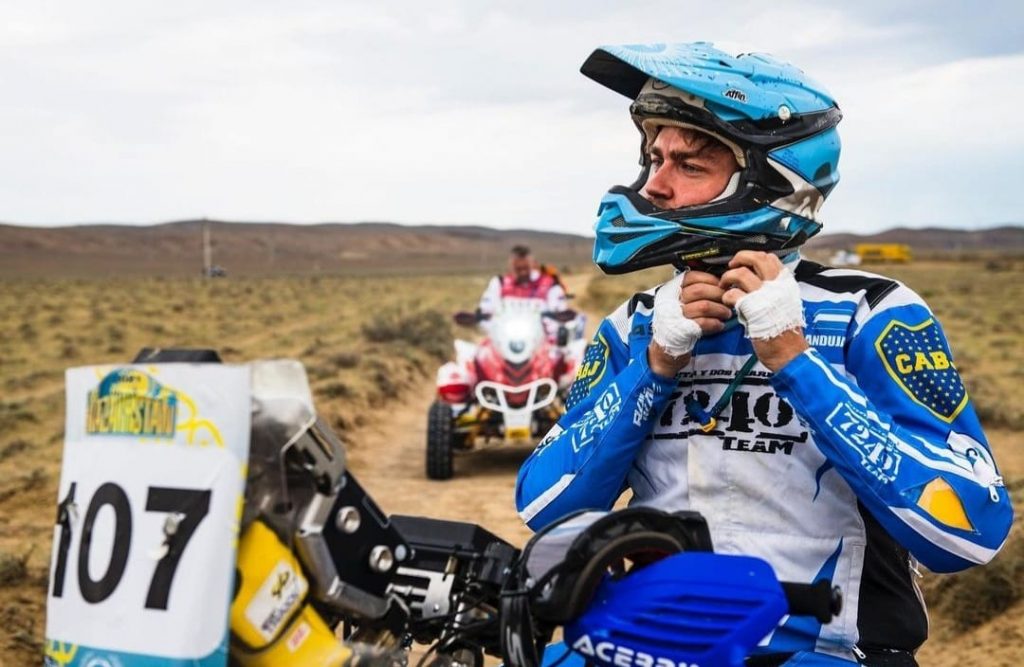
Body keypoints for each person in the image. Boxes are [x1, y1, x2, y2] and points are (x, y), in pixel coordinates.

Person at [515, 43, 1012, 665]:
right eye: (653, 158)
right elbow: (545, 505)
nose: (654, 185)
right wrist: (653, 367)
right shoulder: (634, 326)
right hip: (645, 643)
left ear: (772, 180)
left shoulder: (871, 314)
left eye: (688, 165)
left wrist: (797, 363)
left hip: (823, 650)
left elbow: (970, 531)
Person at [478, 244, 568, 318]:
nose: (523, 272)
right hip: (503, 332)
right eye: (518, 269)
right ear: (510, 266)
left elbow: (560, 311)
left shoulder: (549, 284)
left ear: (533, 264)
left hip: (541, 333)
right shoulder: (499, 283)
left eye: (526, 268)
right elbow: (486, 309)